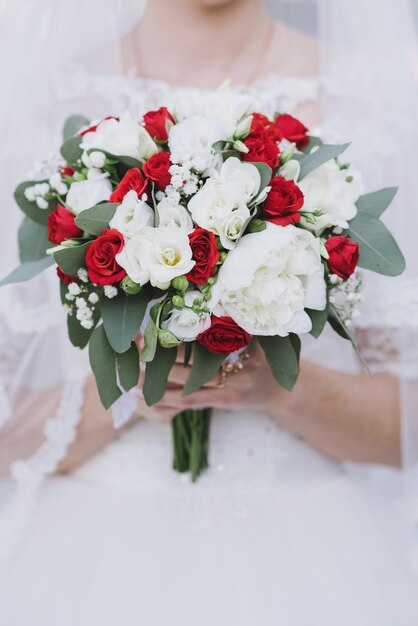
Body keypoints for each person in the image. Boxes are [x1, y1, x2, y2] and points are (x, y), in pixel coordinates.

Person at [0, 1, 417, 624]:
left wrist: (277, 389)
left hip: (311, 561)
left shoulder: (381, 95)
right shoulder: (32, 97)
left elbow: (402, 426)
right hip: (94, 563)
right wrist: (129, 391)